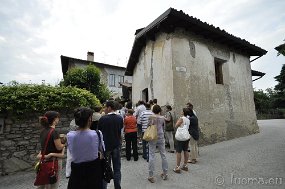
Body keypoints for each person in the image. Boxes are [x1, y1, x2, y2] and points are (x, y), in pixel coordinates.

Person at [67, 107, 104, 189]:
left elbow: (71, 151)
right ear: (89, 120)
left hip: (76, 171)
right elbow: (101, 151)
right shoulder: (97, 134)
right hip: (93, 170)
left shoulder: (70, 135)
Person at [37, 111, 65, 189]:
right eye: (57, 118)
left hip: (44, 160)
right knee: (53, 184)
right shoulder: (54, 132)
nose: (58, 119)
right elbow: (59, 147)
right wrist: (64, 143)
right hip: (53, 161)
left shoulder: (43, 131)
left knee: (44, 183)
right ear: (54, 119)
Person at [98, 101, 124, 189]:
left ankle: (104, 187)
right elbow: (120, 131)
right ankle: (118, 187)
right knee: (117, 169)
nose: (104, 109)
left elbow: (99, 133)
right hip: (116, 145)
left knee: (105, 169)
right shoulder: (120, 118)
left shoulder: (102, 119)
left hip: (106, 147)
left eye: (105, 107)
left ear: (109, 108)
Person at [147, 105, 168, 183]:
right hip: (161, 135)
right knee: (163, 154)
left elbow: (148, 125)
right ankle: (165, 173)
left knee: (151, 154)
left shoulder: (151, 117)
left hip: (153, 136)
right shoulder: (162, 117)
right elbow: (164, 127)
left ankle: (151, 175)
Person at [173, 108, 190, 173]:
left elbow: (176, 125)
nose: (181, 111)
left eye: (182, 111)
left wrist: (178, 122)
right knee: (185, 150)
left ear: (183, 112)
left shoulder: (181, 118)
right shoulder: (188, 119)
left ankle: (177, 167)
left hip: (180, 137)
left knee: (178, 151)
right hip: (186, 136)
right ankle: (185, 165)